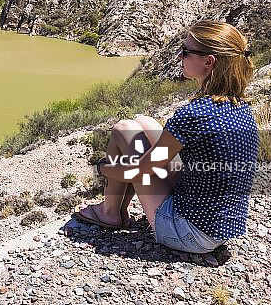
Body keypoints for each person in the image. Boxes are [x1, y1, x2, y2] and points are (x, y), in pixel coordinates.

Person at [73, 20, 259, 254]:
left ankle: (110, 212)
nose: (180, 56)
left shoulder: (195, 114)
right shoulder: (239, 105)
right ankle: (113, 209)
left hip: (189, 233)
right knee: (144, 123)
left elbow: (141, 171)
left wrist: (104, 168)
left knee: (123, 129)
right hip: (220, 227)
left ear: (208, 62)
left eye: (186, 51)